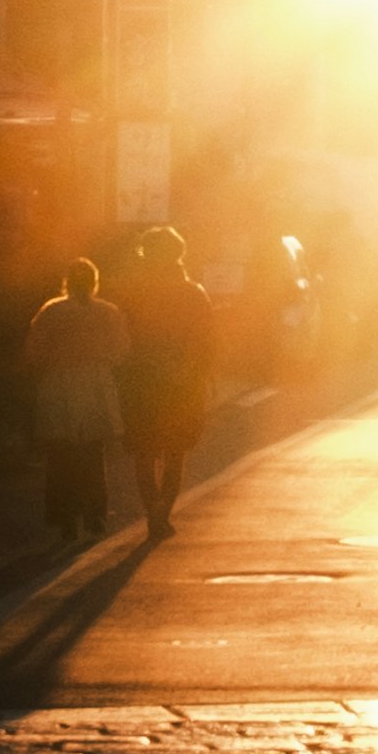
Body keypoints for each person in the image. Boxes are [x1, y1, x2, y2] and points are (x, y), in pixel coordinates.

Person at [113, 225, 218, 536]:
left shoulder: (133, 292)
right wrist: (197, 370)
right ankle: (162, 512)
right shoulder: (194, 293)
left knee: (144, 452)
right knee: (176, 451)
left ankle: (153, 510)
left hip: (141, 381)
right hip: (183, 382)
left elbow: (123, 339)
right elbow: (206, 340)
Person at [25, 253, 134, 538]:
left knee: (61, 457)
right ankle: (95, 515)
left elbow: (34, 352)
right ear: (95, 282)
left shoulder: (51, 311)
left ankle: (66, 520)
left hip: (58, 385)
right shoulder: (108, 312)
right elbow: (121, 351)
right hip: (96, 383)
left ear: (67, 282)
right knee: (93, 455)